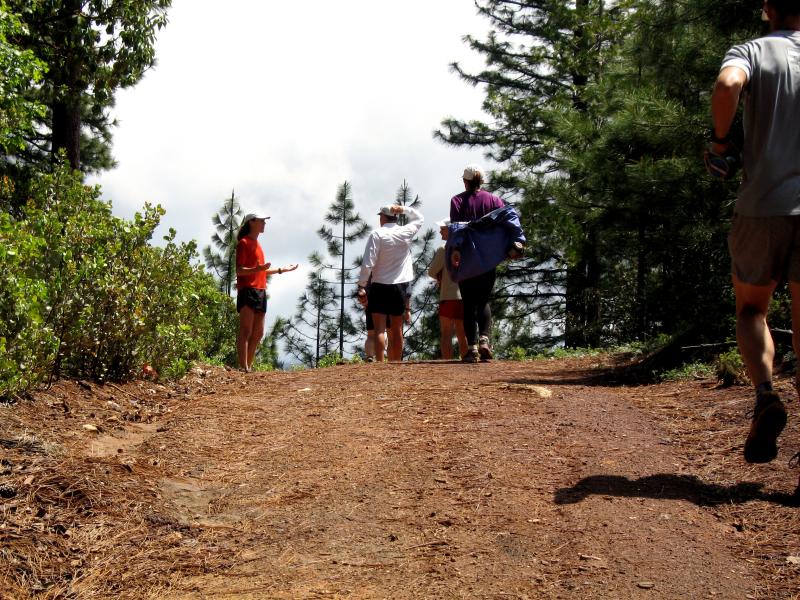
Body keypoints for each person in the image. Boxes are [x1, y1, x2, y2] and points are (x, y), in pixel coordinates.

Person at [709, 0, 799, 492]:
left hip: (762, 205)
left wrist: (720, 144)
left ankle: (765, 393)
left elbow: (727, 85)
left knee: (751, 309)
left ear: (768, 9)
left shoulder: (752, 50)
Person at [450, 165, 505, 363]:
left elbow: (457, 229)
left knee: (468, 302)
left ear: (465, 181)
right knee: (483, 300)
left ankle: (471, 349)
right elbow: (504, 223)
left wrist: (455, 250)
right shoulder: (494, 200)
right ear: (482, 181)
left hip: (466, 257)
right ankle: (484, 340)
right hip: (488, 257)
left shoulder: (457, 201)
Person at [357, 203, 423, 362]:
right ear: (395, 216)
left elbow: (368, 262)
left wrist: (361, 285)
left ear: (383, 217)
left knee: (379, 329)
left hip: (379, 285)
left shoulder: (376, 234)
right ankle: (396, 363)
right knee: (397, 329)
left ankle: (380, 364)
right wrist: (404, 209)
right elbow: (419, 218)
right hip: (399, 286)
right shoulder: (405, 231)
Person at [235, 213, 298, 372]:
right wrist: (257, 269)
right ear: (252, 222)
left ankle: (248, 367)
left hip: (260, 290)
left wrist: (280, 270)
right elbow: (239, 270)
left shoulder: (258, 244)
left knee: (258, 334)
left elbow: (261, 271)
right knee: (246, 331)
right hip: (248, 290)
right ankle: (243, 367)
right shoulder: (243, 243)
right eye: (262, 221)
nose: (264, 224)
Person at [429, 219, 467, 359]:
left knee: (446, 333)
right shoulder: (465, 248)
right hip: (463, 296)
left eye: (443, 229)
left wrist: (439, 275)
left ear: (450, 230)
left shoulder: (443, 249)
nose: (440, 231)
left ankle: (447, 362)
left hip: (447, 296)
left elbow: (431, 271)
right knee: (463, 333)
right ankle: (466, 359)